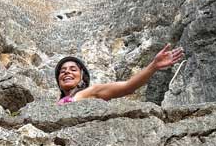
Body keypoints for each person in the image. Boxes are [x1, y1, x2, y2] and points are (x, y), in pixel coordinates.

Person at [55, 44, 184, 103]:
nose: (67, 72)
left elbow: (128, 86)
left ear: (82, 77)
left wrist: (153, 66)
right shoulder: (55, 103)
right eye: (62, 71)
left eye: (73, 69)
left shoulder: (92, 91)